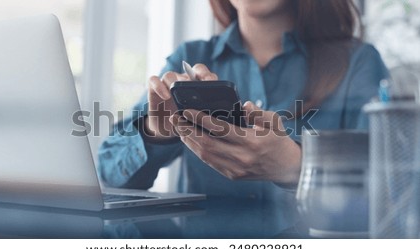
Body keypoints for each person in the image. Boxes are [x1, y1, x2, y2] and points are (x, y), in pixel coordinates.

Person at [98, 0, 388, 200]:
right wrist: (156, 132)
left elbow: (388, 183)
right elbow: (110, 171)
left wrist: (298, 166)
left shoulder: (358, 63)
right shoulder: (190, 57)